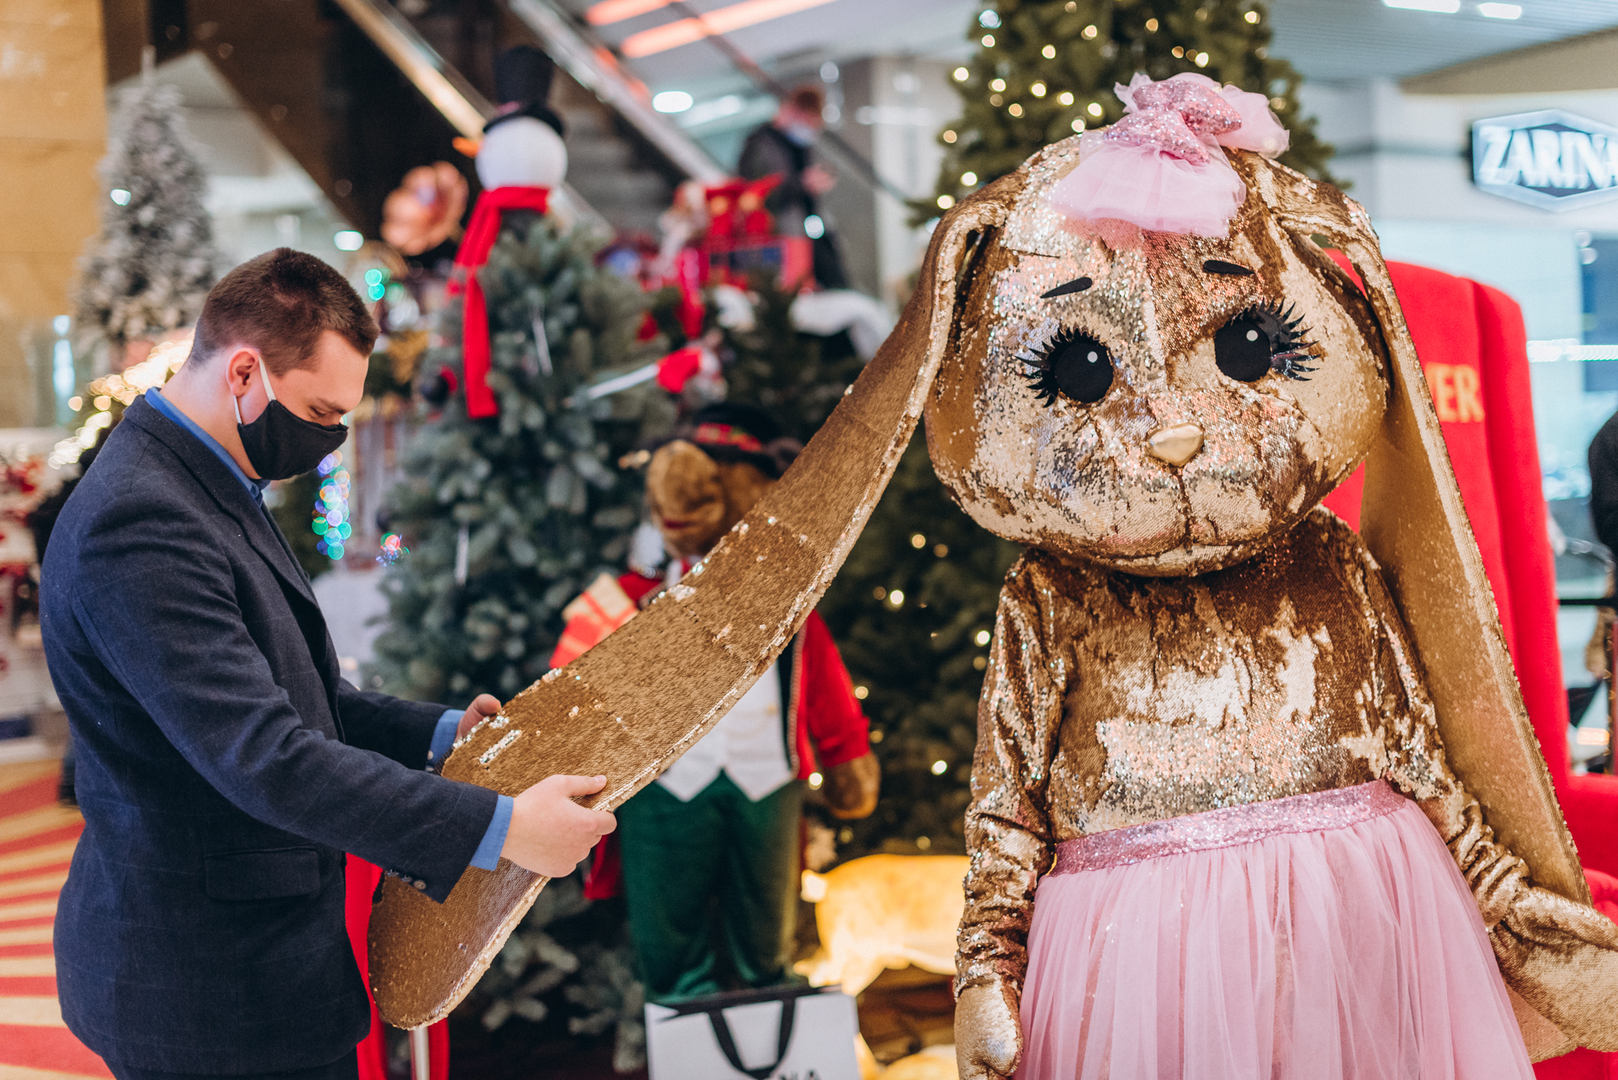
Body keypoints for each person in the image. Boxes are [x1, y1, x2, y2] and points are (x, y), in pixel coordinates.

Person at [41, 248, 616, 1080]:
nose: (325, 440)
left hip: (257, 966)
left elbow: (304, 694)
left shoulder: (210, 476)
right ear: (243, 371)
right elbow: (265, 756)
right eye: (318, 410)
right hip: (207, 987)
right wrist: (502, 828)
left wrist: (447, 734)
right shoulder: (143, 520)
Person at [552, 403, 879, 1003]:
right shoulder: (634, 600)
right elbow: (574, 685)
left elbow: (824, 683)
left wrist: (845, 756)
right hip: (667, 788)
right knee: (667, 922)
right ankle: (682, 1010)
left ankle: (770, 1003)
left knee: (768, 919)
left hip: (767, 780)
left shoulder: (788, 602)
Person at [738, 84, 848, 290]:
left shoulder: (799, 146)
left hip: (809, 229)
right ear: (792, 111)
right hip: (781, 238)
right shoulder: (761, 145)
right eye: (808, 122)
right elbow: (755, 194)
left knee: (836, 281)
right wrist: (802, 184)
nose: (809, 130)